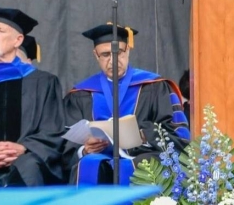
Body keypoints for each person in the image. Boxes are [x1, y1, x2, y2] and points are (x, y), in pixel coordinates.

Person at [63, 24, 190, 185]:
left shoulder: (154, 86)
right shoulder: (81, 93)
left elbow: (176, 134)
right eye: (105, 54)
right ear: (96, 55)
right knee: (89, 163)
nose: (113, 60)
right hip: (100, 156)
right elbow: (66, 148)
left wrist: (144, 134)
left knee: (134, 165)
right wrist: (85, 149)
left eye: (118, 53)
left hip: (143, 154)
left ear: (128, 50)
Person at [0, 6, 65, 191]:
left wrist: (22, 148)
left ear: (18, 40)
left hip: (27, 157)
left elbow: (53, 129)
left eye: (0, 31)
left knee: (29, 168)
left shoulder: (43, 82)